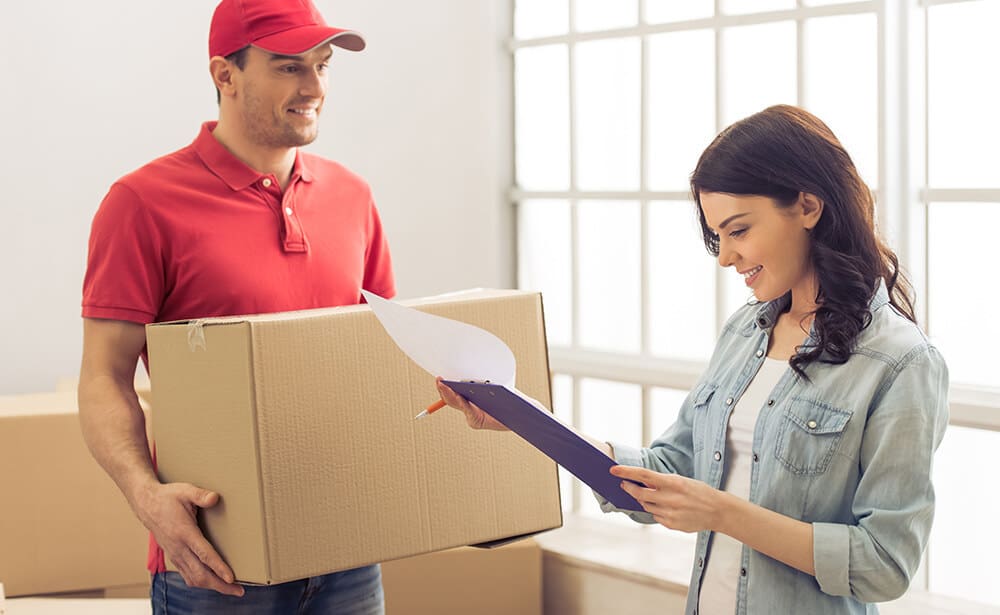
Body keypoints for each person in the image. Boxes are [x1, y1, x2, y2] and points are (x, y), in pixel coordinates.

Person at [437, 105, 949, 615]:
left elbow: (885, 563)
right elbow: (668, 473)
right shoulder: (744, 333)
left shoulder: (901, 362)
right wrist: (526, 420)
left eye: (740, 230)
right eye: (718, 236)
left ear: (808, 207)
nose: (725, 256)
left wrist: (723, 513)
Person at [77, 0, 394, 613]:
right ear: (225, 75)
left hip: (350, 550)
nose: (314, 88)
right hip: (216, 562)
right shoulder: (143, 203)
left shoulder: (353, 196)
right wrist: (147, 497)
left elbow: (381, 358)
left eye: (322, 66)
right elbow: (102, 378)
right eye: (288, 68)